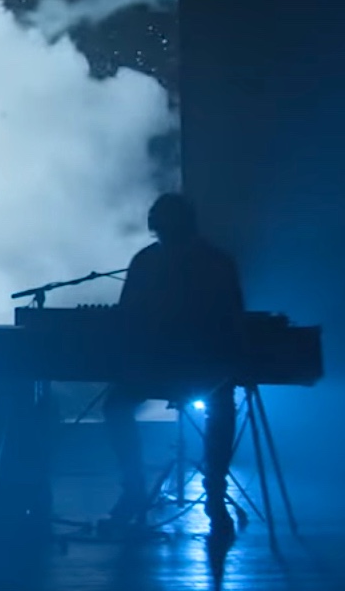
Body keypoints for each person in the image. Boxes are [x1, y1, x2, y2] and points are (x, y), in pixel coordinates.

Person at [104, 193, 246, 540]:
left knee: (117, 405)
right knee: (221, 406)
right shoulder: (216, 261)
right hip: (193, 369)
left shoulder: (150, 261)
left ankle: (145, 491)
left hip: (178, 369)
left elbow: (126, 318)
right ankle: (212, 497)